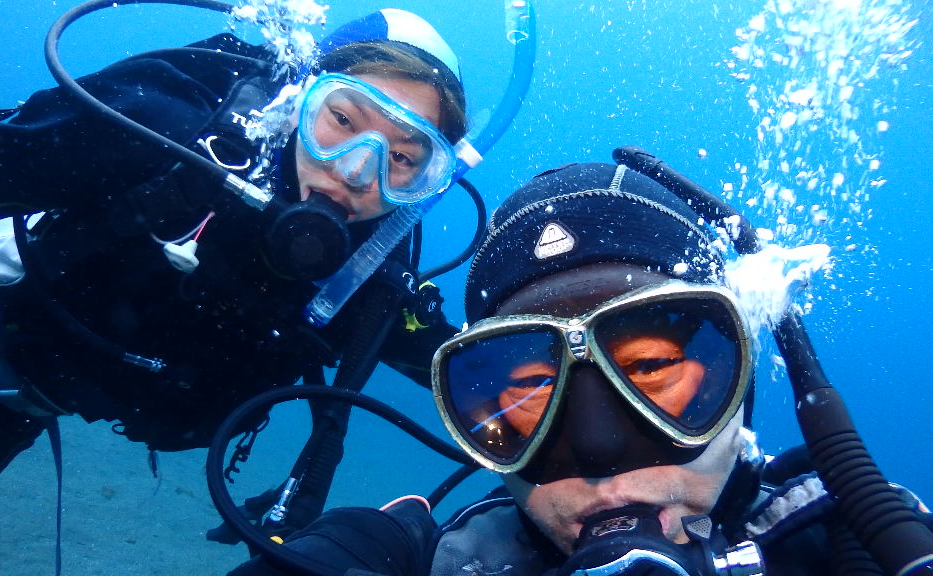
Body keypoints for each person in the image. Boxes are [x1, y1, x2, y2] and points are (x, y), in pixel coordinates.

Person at [0, 7, 472, 564]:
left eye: (402, 157)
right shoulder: (163, 133)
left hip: (11, 403)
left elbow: (475, 374)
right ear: (300, 96)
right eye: (343, 120)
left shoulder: (361, 278)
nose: (355, 171)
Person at [231, 157, 933, 576]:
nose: (597, 449)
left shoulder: (859, 538)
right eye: (535, 386)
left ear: (736, 381)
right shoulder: (438, 561)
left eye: (650, 366)